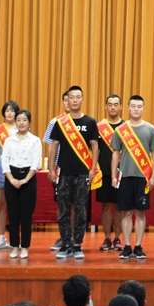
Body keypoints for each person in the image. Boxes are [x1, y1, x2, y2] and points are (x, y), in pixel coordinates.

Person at [48, 85, 100, 260]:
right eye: (72, 97)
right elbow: (54, 145)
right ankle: (65, 243)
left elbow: (95, 146)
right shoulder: (60, 123)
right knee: (63, 210)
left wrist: (93, 169)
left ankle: (77, 244)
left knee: (81, 210)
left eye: (78, 97)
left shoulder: (90, 122)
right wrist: (51, 169)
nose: (75, 100)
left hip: (83, 173)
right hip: (63, 173)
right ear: (67, 100)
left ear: (82, 99)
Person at [111, 95, 154, 260]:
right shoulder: (121, 130)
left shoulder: (151, 129)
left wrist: (153, 176)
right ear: (127, 108)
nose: (136, 109)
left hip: (143, 177)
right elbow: (115, 153)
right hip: (125, 177)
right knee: (125, 213)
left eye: (139, 106)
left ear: (143, 108)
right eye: (133, 106)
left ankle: (138, 246)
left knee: (140, 213)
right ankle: (127, 246)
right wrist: (113, 175)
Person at [2, 110, 41, 259]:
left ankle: (24, 246)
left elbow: (36, 163)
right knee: (13, 215)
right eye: (18, 120)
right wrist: (11, 179)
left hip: (28, 179)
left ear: (29, 122)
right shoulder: (9, 140)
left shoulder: (35, 140)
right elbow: (5, 161)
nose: (21, 123)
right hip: (11, 177)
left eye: (24, 120)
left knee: (26, 215)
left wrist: (25, 179)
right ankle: (14, 245)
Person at [0, 100, 20, 251]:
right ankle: (1, 237)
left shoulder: (21, 128)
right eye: (7, 110)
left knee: (16, 206)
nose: (9, 113)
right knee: (1, 205)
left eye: (12, 110)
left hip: (17, 169)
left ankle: (16, 238)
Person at [97, 94, 125, 252]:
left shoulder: (127, 127)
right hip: (104, 172)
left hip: (122, 173)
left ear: (121, 107)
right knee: (106, 205)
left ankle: (117, 238)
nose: (113, 107)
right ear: (106, 107)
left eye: (116, 104)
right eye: (110, 104)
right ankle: (107, 238)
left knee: (120, 206)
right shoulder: (99, 127)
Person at [44, 92, 70, 252]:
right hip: (60, 168)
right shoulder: (55, 122)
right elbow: (50, 145)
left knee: (75, 204)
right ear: (63, 103)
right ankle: (63, 235)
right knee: (61, 203)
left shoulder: (83, 121)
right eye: (66, 100)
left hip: (76, 169)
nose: (69, 103)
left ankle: (74, 237)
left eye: (71, 99)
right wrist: (51, 168)